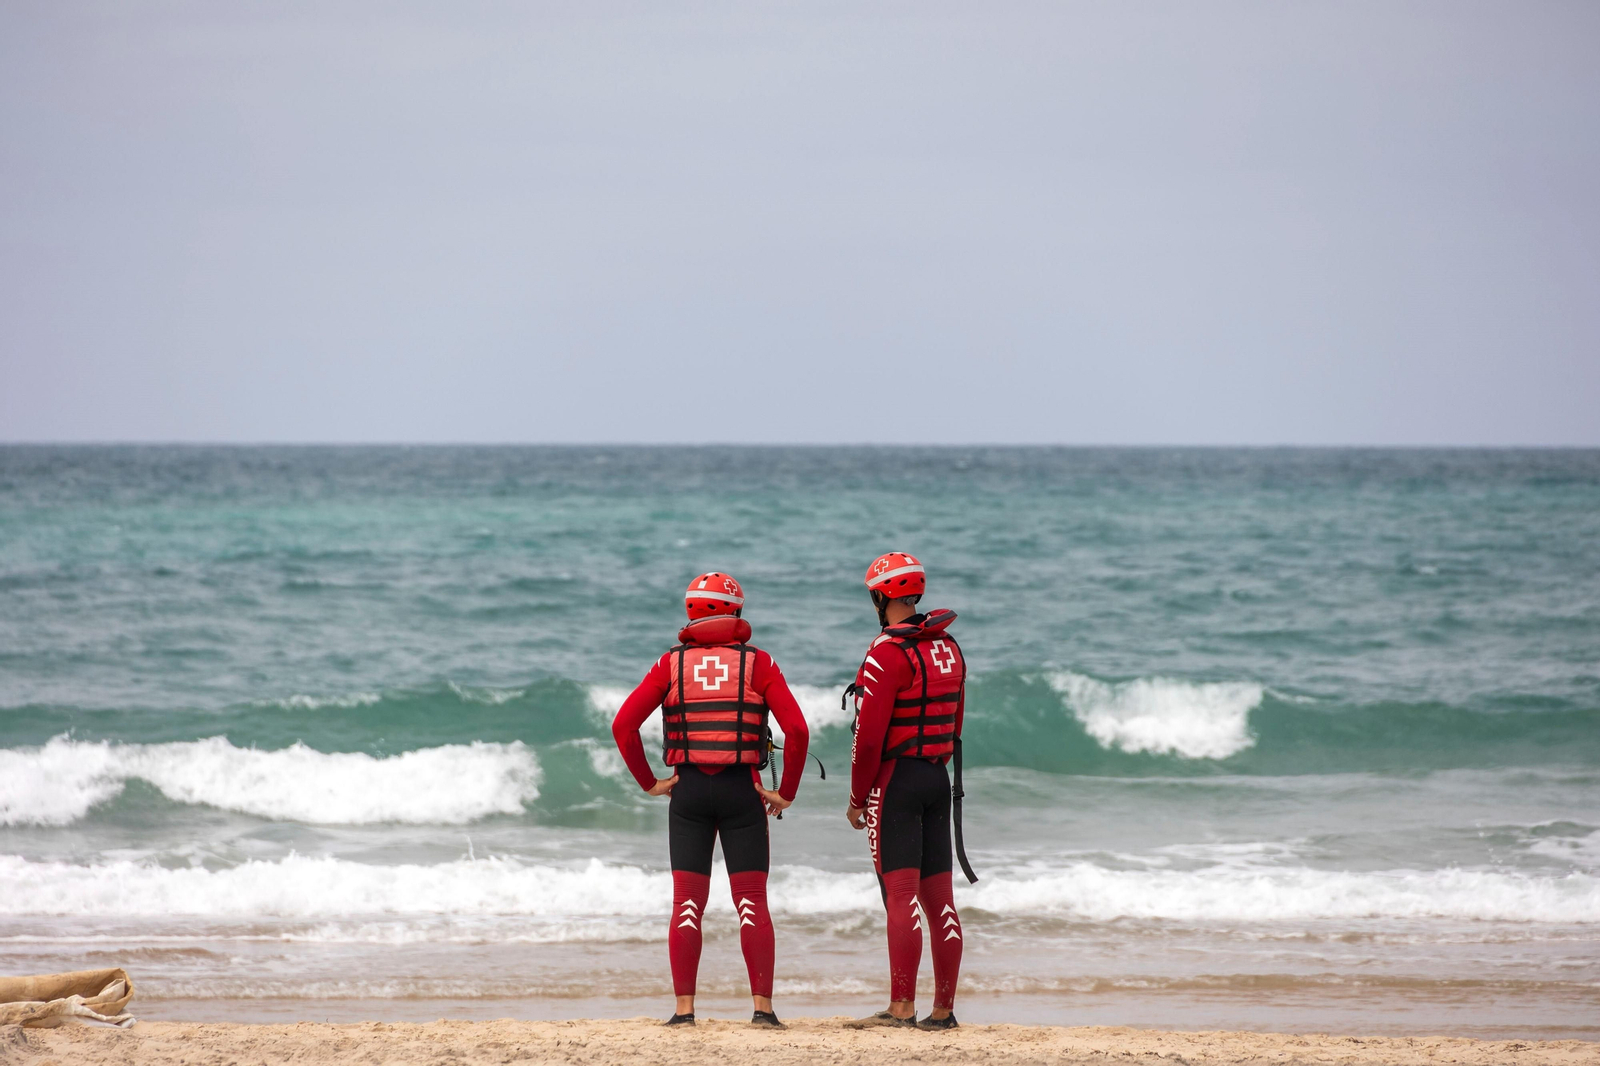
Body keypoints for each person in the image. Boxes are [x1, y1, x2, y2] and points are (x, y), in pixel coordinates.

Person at [611, 572, 812, 1029]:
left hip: (688, 792)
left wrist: (650, 783)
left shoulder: (670, 664)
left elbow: (623, 725)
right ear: (736, 613)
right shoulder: (758, 663)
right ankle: (763, 1010)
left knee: (686, 903)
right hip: (744, 790)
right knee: (751, 903)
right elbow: (797, 731)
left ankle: (684, 1012)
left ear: (690, 614)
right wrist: (787, 793)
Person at [844, 551, 969, 1031]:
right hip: (938, 778)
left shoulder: (886, 652)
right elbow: (955, 722)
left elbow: (868, 739)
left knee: (900, 895)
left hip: (896, 783)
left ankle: (901, 1008)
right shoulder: (948, 647)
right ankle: (943, 1010)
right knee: (940, 898)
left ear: (880, 596)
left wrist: (857, 799)